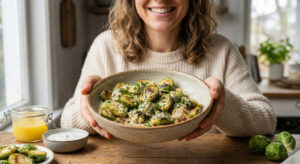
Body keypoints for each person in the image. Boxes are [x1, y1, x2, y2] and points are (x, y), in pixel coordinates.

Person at [61, 0, 276, 141]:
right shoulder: (106, 46)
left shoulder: (221, 50)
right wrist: (88, 101)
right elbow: (67, 124)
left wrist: (223, 103)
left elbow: (266, 122)